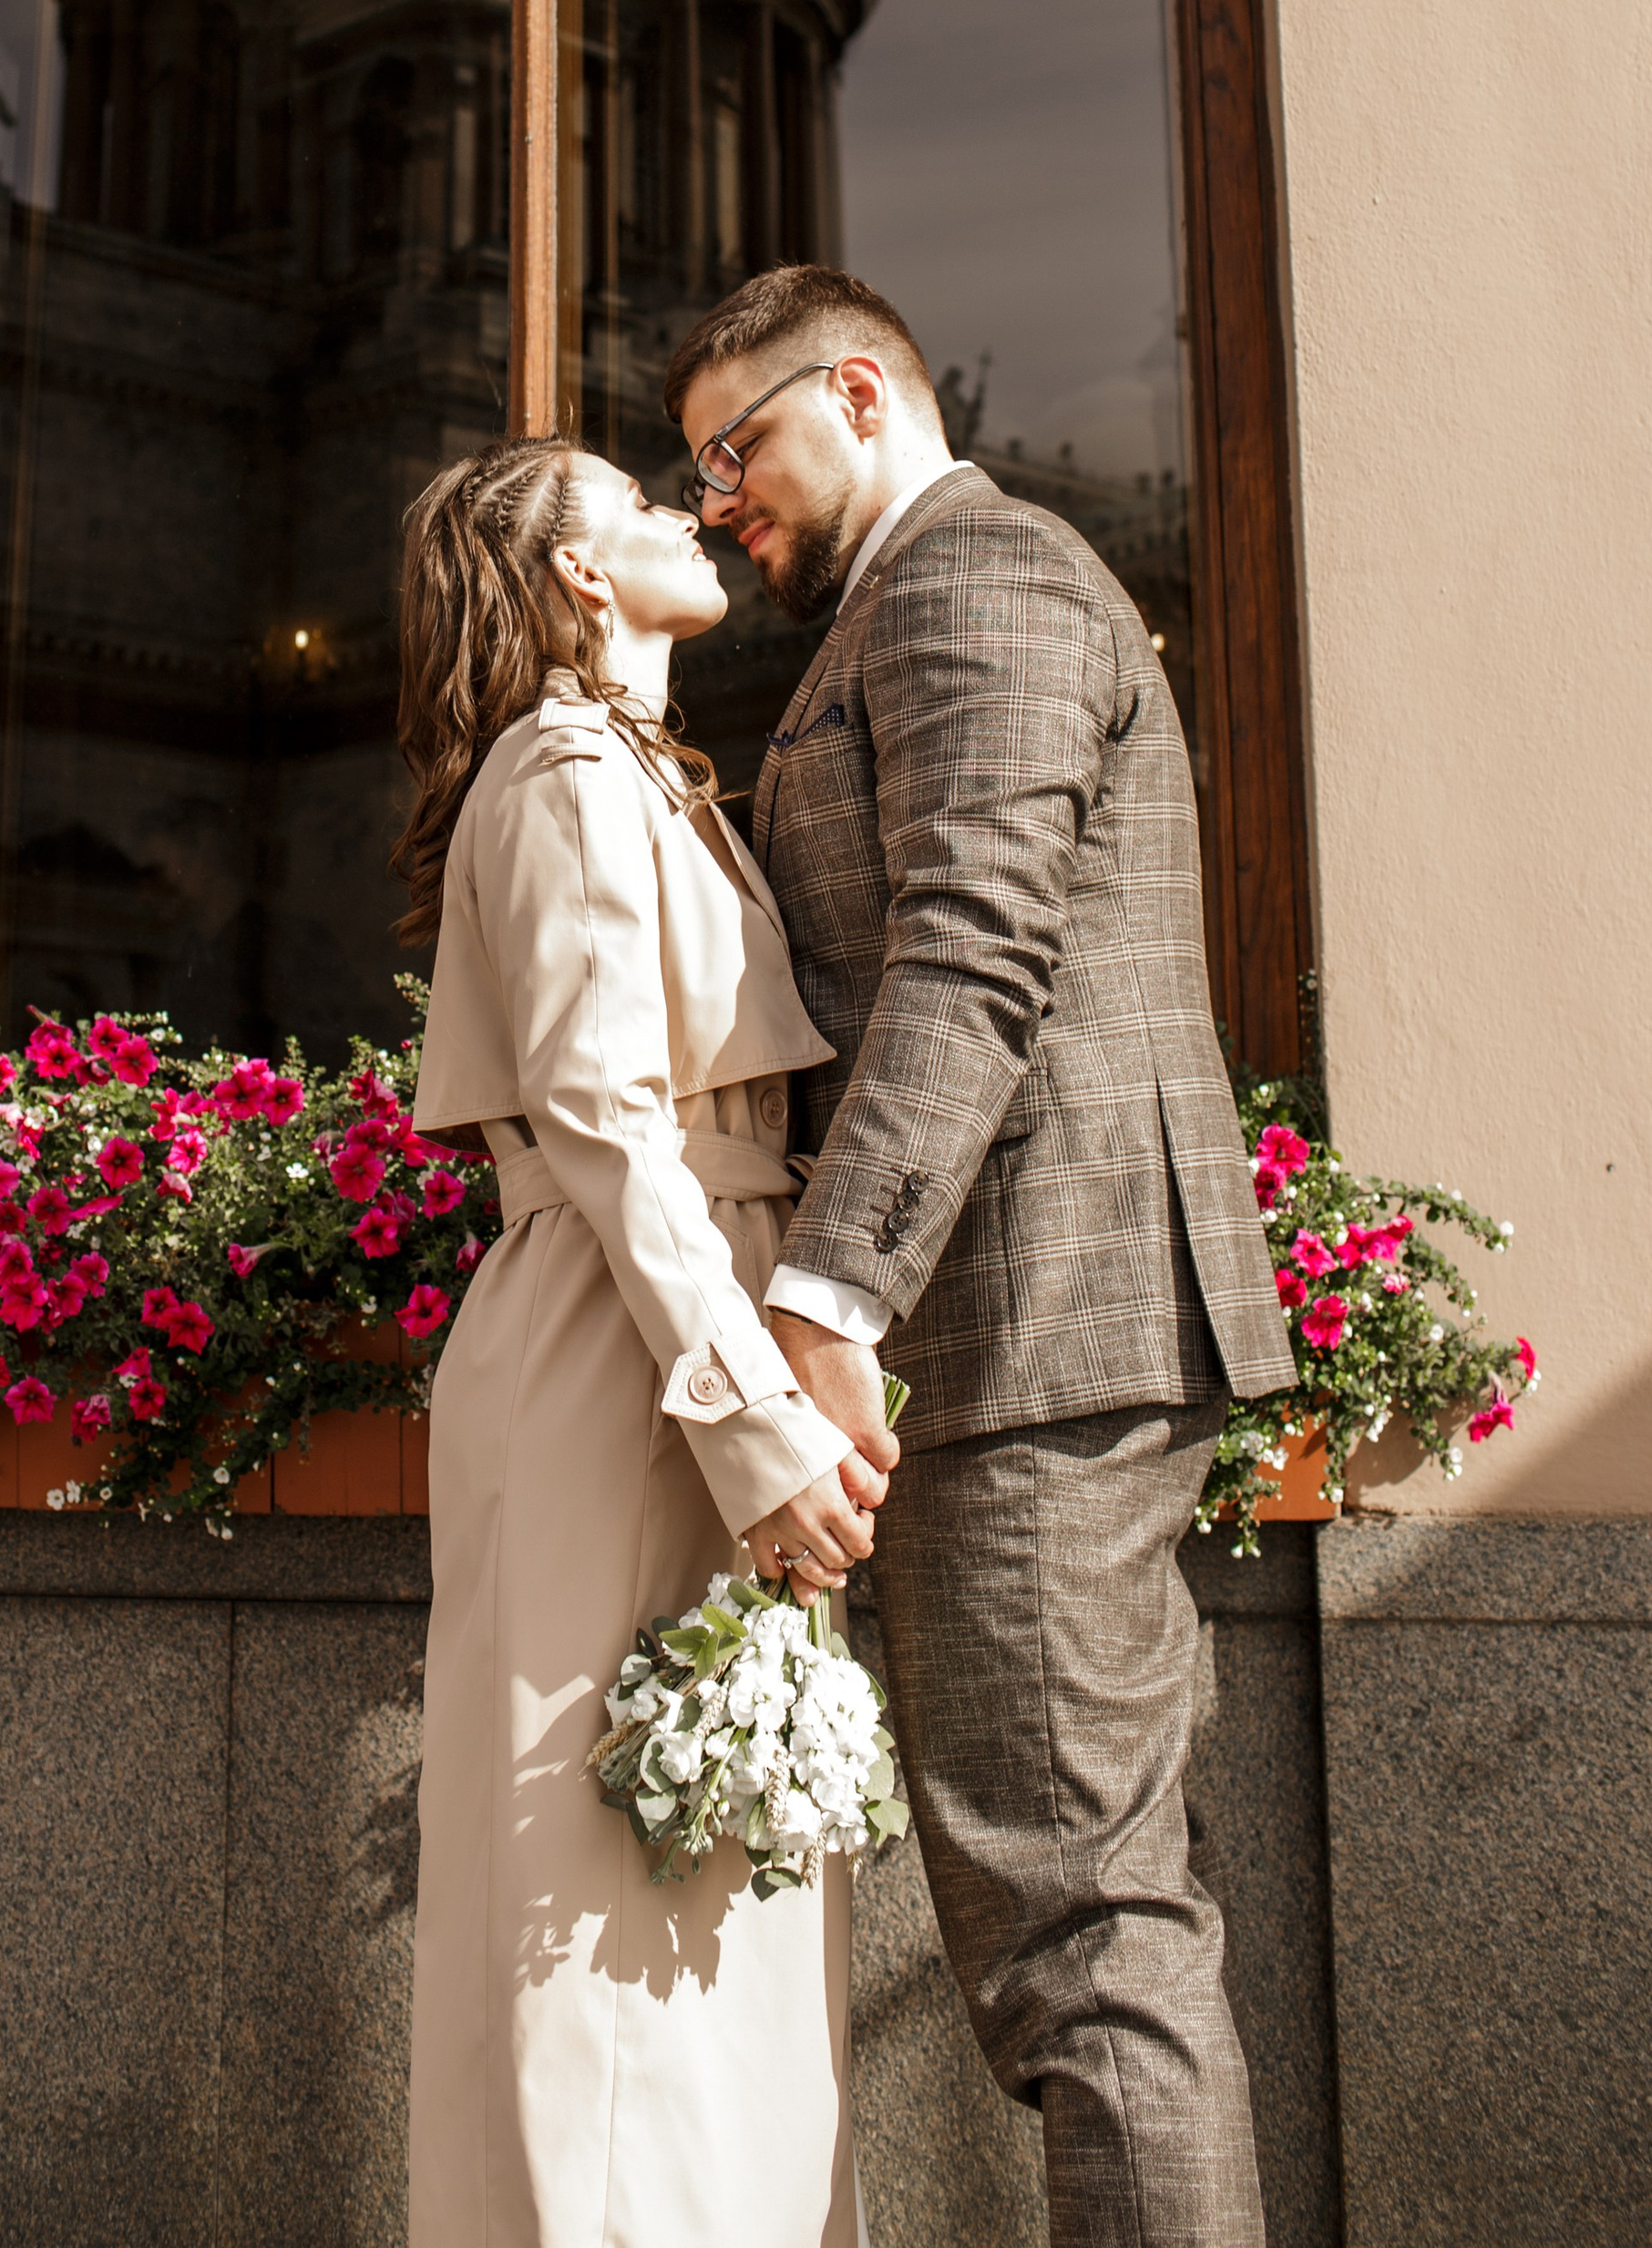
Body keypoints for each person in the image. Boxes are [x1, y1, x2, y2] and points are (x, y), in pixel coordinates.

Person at [665, 263, 1297, 2248]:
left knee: (1084, 1941)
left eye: (733, 445)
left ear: (859, 392)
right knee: (1082, 1928)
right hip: (1028, 1316)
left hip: (1037, 1316)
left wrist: (824, 1300)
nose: (711, 501)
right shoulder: (899, 600)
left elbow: (970, 948)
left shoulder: (974, 578)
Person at [399, 432, 885, 2248]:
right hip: (626, 1351)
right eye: (645, 506)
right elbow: (606, 1127)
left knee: (706, 1881)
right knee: (600, 1910)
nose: (694, 514)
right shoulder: (563, 778)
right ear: (584, 581)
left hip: (679, 1330)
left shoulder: (640, 780)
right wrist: (755, 1425)